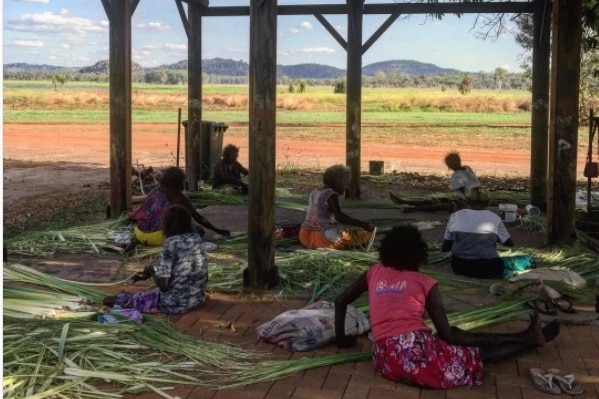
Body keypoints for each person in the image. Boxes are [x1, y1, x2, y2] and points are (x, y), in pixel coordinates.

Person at [334, 224, 560, 389]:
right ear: (418, 254)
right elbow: (448, 335)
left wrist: (341, 339)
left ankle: (526, 336)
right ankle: (529, 340)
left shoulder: (374, 272)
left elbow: (340, 301)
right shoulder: (425, 283)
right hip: (414, 357)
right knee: (478, 354)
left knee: (457, 337)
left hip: (384, 359)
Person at [104, 204, 210, 314]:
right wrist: (152, 273)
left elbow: (163, 286)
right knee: (148, 294)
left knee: (110, 300)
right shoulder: (196, 238)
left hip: (174, 305)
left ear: (168, 225)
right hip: (197, 299)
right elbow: (182, 268)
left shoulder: (170, 244)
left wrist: (152, 271)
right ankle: (129, 296)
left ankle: (123, 299)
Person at [441, 189, 535, 278]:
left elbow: (445, 248)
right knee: (525, 259)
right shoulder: (493, 218)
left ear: (467, 202)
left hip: (459, 267)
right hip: (489, 268)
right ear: (487, 203)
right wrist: (493, 237)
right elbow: (509, 243)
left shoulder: (455, 216)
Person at [128, 166, 230, 248]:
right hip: (156, 238)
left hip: (139, 233)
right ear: (178, 182)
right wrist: (218, 230)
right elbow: (198, 218)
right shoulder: (177, 196)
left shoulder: (154, 190)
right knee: (197, 230)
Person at [299, 164, 376, 249]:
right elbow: (339, 216)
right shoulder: (331, 194)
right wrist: (363, 224)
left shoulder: (314, 192)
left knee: (342, 229)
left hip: (304, 235)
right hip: (323, 239)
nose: (345, 187)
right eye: (345, 183)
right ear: (339, 181)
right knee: (356, 236)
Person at [389, 151, 481, 212]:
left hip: (470, 204)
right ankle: (404, 202)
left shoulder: (455, 177)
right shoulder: (467, 168)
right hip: (479, 200)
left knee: (440, 205)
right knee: (437, 201)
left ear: (449, 166)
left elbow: (465, 193)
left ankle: (413, 208)